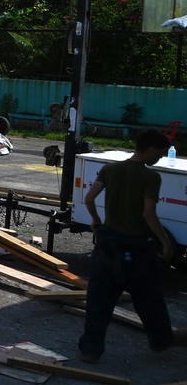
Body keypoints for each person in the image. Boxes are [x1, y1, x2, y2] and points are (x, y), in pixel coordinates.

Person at [78, 128, 187, 363]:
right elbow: (149, 214)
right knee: (150, 299)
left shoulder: (111, 169)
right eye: (158, 153)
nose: (158, 158)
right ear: (150, 149)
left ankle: (90, 350)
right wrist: (165, 242)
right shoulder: (150, 177)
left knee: (99, 301)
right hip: (136, 250)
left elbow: (88, 198)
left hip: (107, 246)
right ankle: (161, 340)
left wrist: (96, 221)